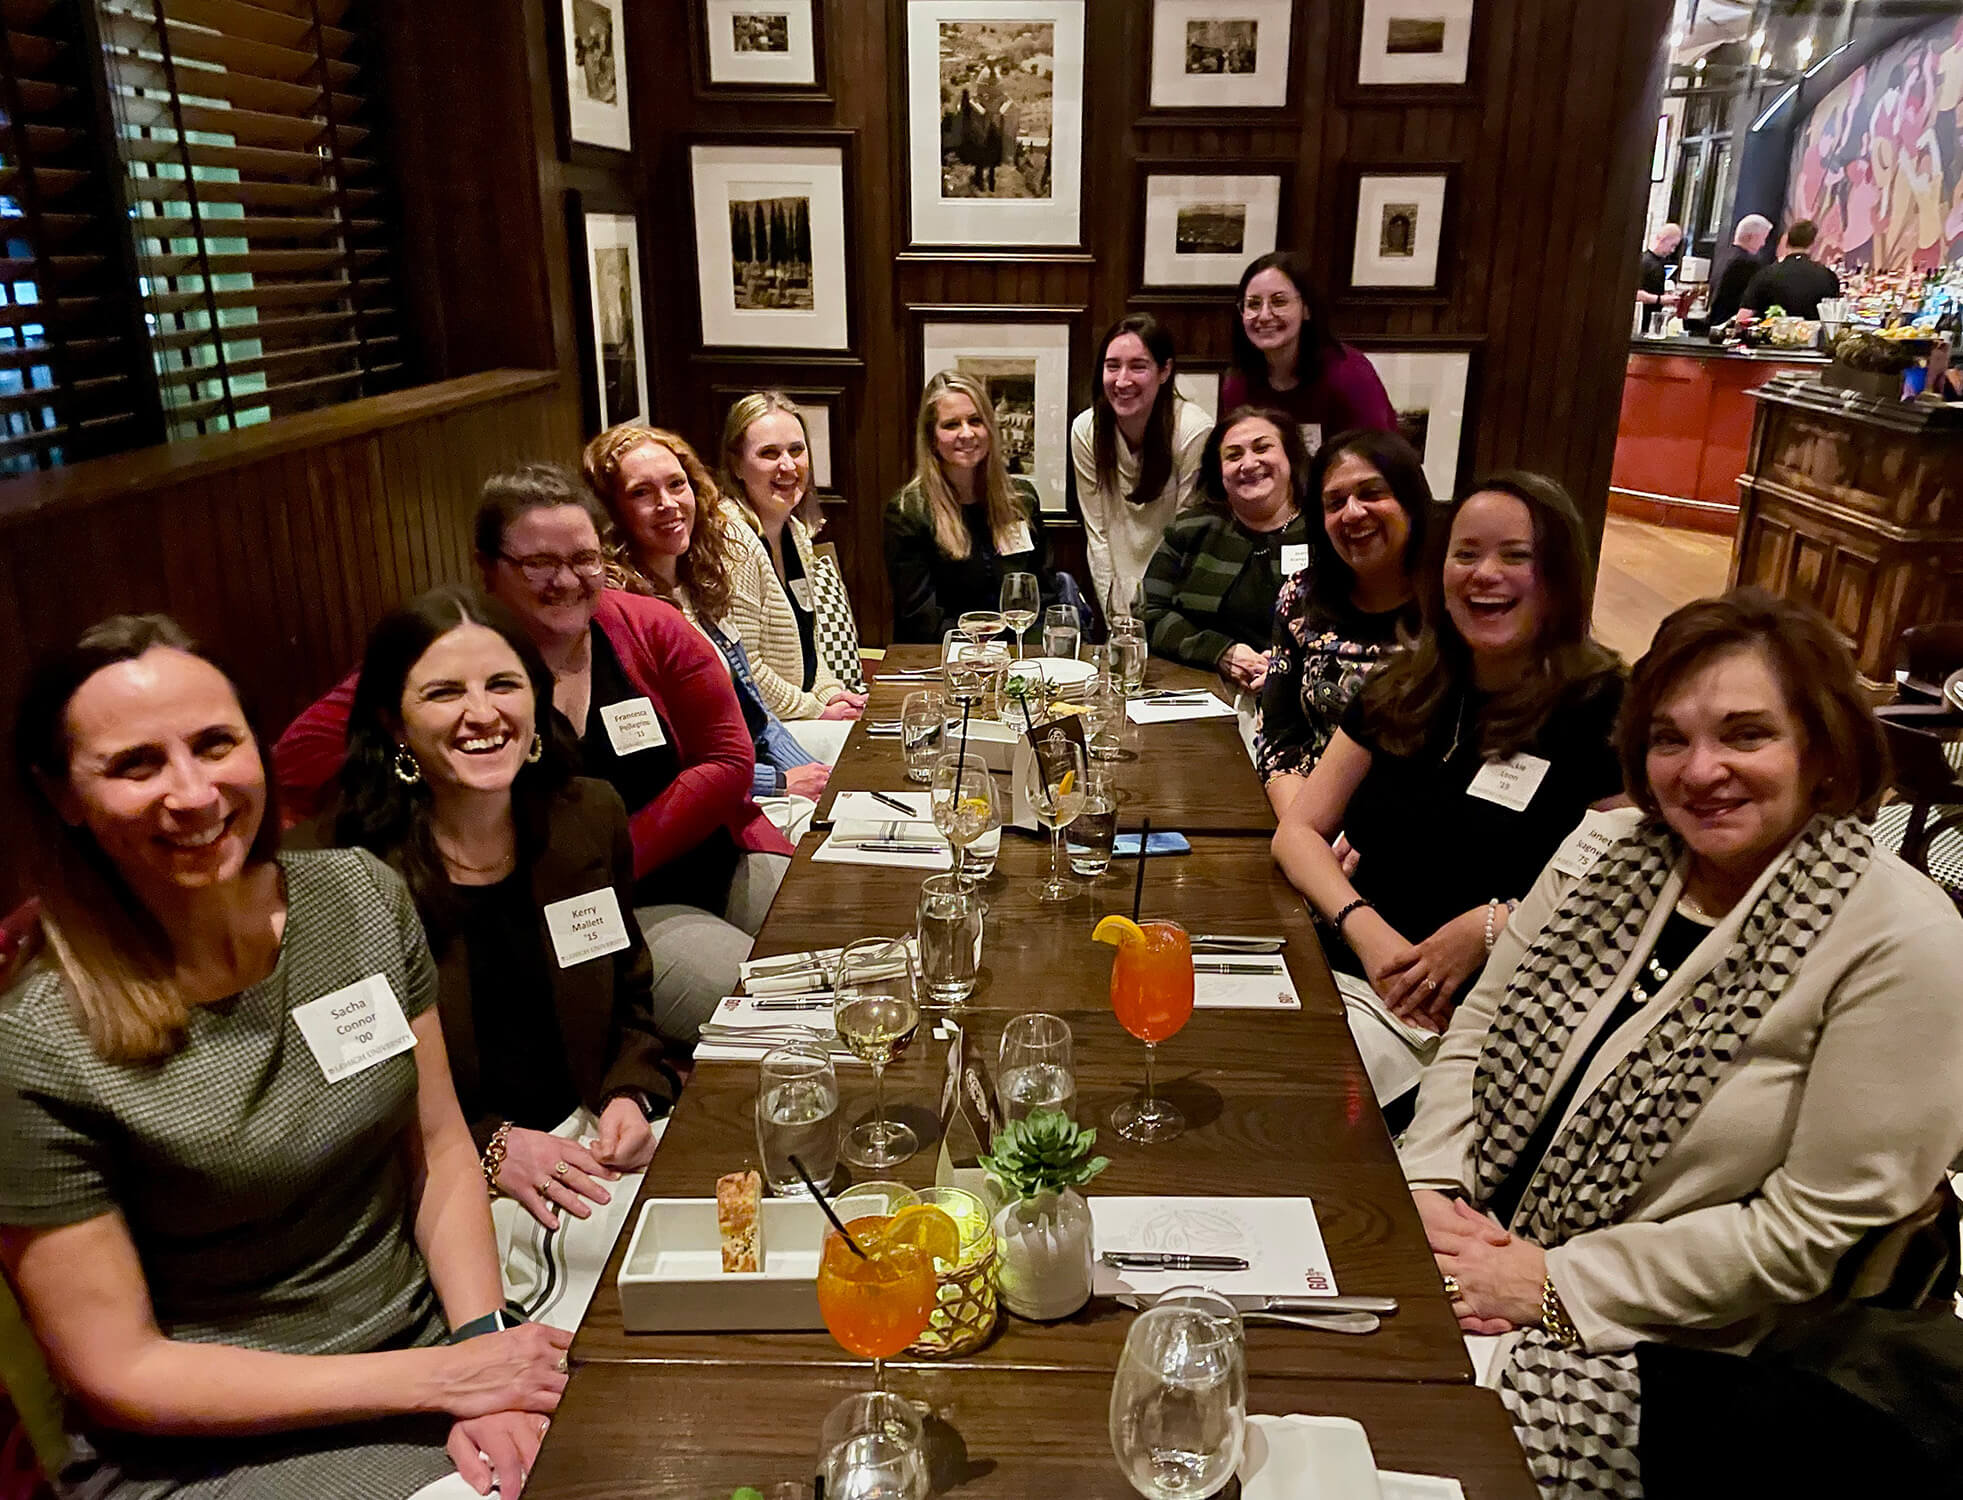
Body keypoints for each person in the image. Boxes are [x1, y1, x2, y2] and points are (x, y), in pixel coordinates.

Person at [1398, 589, 1963, 1495]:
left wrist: (1549, 1281)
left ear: (1819, 748)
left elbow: (1805, 1231)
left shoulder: (1898, 936)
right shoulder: (1607, 847)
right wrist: (1429, 1184)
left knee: (1385, 1443)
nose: (1700, 770)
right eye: (1670, 738)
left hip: (1673, 1352)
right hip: (1467, 1241)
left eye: (1745, 735)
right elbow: (1477, 1027)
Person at [1, 615, 571, 1499]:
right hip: (220, 1443)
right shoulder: (36, 1043)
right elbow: (119, 1371)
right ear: (61, 794)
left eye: (214, 744)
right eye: (135, 765)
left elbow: (442, 1152)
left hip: (434, 1347)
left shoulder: (356, 896)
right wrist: (443, 1382)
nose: (192, 794)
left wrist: (477, 1343)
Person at [275, 464, 792, 1042]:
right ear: (487, 567)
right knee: (782, 1011)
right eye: (539, 563)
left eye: (584, 559)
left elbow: (727, 760)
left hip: (718, 859)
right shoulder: (446, 657)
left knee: (860, 932)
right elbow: (293, 762)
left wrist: (619, 852)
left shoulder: (649, 626)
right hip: (607, 918)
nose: (567, 581)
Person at [334, 587, 678, 1231]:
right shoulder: (349, 878)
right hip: (443, 1185)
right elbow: (359, 1087)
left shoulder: (588, 816)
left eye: (503, 684)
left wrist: (628, 1090)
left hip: (591, 1141)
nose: (483, 714)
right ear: (391, 721)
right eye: (443, 694)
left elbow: (627, 988)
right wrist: (491, 1145)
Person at [1270, 473, 1626, 1030]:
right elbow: (1297, 832)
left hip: (1495, 1017)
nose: (1485, 574)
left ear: (1560, 577)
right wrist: (1369, 937)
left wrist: (1493, 926)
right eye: (1466, 553)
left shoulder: (1605, 706)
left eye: (1516, 555)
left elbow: (1620, 882)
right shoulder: (1405, 684)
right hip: (1353, 982)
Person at [581, 420, 832, 801]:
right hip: (718, 799)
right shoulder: (619, 616)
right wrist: (780, 783)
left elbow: (757, 717)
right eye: (642, 493)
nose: (668, 504)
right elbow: (673, 761)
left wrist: (816, 776)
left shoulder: (700, 583)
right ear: (612, 511)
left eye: (677, 484)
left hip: (755, 770)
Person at [1256, 428, 1431, 815]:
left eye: (1372, 493)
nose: (1352, 513)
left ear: (1410, 501)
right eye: (1335, 502)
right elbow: (1279, 735)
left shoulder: (1452, 604)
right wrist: (1305, 830)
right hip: (1313, 815)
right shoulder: (1300, 597)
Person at [717, 393, 868, 723]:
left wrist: (832, 693)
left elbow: (809, 647)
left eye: (796, 451)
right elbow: (744, 666)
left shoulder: (796, 533)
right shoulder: (733, 539)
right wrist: (816, 710)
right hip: (762, 728)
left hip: (798, 718)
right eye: (769, 454)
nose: (788, 465)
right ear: (737, 465)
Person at [1141, 407, 1312, 695]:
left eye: (1262, 448)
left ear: (1290, 457)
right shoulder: (1191, 529)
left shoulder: (1325, 530)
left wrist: (1285, 667)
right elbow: (1149, 613)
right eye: (1233, 455)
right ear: (1219, 472)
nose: (1248, 463)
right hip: (1202, 696)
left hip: (1305, 698)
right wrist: (1221, 652)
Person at [885, 371, 1059, 643]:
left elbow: (1044, 596)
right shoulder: (909, 511)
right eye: (952, 424)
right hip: (946, 659)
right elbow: (921, 619)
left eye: (975, 421)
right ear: (932, 438)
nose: (966, 433)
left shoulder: (1022, 499)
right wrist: (989, 650)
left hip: (1019, 658)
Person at [1068, 312, 1213, 623]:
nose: (1122, 380)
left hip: (1175, 597)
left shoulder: (1192, 430)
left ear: (1164, 370)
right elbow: (1098, 535)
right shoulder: (1087, 429)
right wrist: (1118, 619)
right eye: (1112, 366)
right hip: (1117, 597)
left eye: (1138, 366)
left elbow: (1185, 539)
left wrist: (1159, 619)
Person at [1218, 251, 1396, 456]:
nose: (1264, 315)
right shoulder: (1237, 383)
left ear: (1306, 309)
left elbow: (1379, 460)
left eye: (1279, 301)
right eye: (1254, 304)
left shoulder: (1349, 375)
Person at [1741, 218, 1843, 320]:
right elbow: (1833, 319)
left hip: (1774, 334)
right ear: (1813, 243)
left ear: (1787, 242)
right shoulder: (1828, 277)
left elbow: (1743, 317)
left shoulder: (1765, 275)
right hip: (1814, 335)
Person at [1705, 212, 1773, 325]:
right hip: (1729, 325)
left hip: (1714, 321)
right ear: (1750, 237)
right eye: (1763, 238)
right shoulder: (1747, 263)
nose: (1763, 243)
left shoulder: (1724, 256)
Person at [1637, 222, 1683, 308]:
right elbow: (1636, 294)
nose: (1672, 250)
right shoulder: (1644, 262)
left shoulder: (1660, 263)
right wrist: (1660, 299)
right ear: (1662, 239)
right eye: (1672, 245)